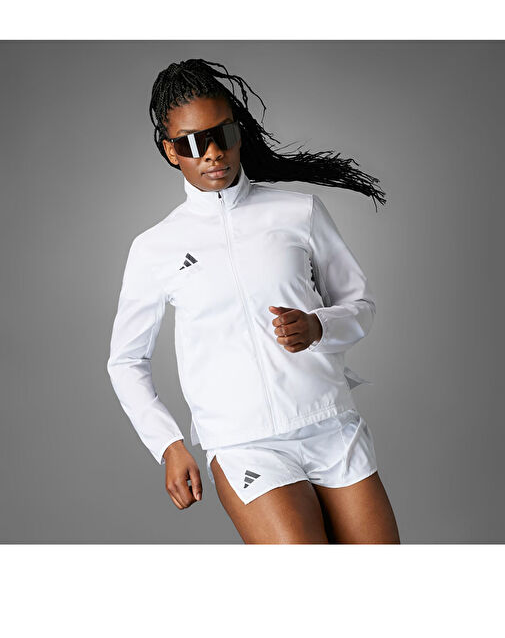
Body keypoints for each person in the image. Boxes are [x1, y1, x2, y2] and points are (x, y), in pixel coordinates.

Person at [107, 58, 400, 544]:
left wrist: (319, 326)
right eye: (193, 143)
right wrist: (168, 444)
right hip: (244, 444)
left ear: (238, 131)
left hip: (330, 423)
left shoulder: (298, 212)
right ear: (170, 150)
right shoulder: (155, 248)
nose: (213, 153)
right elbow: (125, 361)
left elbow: (359, 304)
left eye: (223, 134)